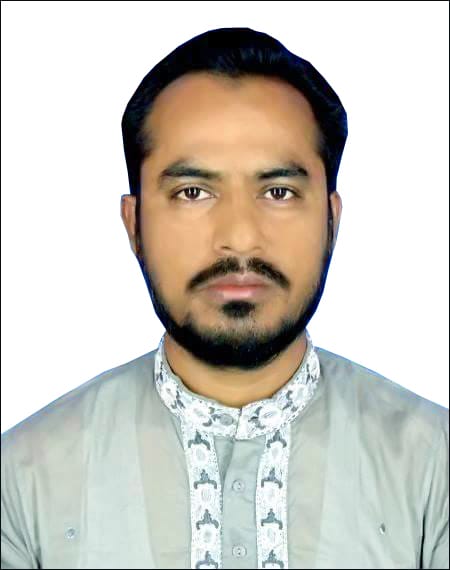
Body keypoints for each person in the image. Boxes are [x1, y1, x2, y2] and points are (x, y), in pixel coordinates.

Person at [1, 26, 448, 570]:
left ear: (331, 221)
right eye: (193, 192)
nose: (239, 238)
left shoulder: (435, 470)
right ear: (134, 223)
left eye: (278, 191)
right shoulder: (21, 482)